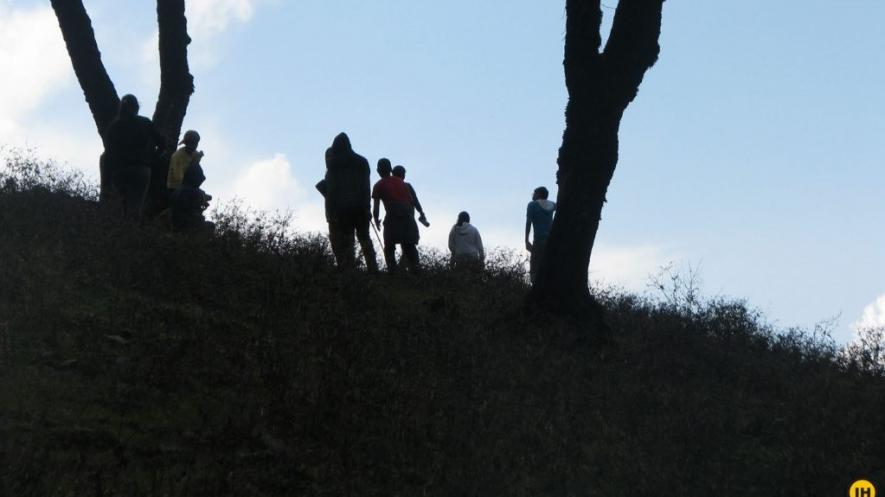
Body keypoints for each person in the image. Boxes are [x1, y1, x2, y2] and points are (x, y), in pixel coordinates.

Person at [320, 133, 378, 272]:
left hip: (343, 209)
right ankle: (373, 268)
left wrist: (332, 209)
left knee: (348, 241)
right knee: (365, 239)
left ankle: (350, 271)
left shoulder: (334, 165)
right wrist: (367, 207)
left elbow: (333, 189)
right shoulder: (362, 161)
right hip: (361, 207)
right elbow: (366, 186)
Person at [103, 94, 165, 219]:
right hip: (141, 169)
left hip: (119, 170)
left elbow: (108, 155)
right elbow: (162, 143)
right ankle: (133, 233)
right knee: (135, 207)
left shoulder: (113, 127)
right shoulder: (145, 123)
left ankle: (121, 232)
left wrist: (106, 181)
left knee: (121, 206)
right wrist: (153, 157)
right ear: (136, 107)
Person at [372, 159, 420, 273]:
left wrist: (376, 220)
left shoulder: (378, 185)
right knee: (409, 246)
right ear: (390, 169)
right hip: (408, 216)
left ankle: (393, 274)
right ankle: (417, 273)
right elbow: (411, 201)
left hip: (393, 215)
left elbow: (376, 208)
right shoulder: (401, 182)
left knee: (389, 246)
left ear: (378, 170)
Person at [170, 159, 212, 232]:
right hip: (185, 226)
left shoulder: (182, 188)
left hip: (178, 224)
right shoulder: (191, 191)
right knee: (211, 226)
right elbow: (191, 213)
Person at [525, 186, 556, 283]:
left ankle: (535, 286)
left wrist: (526, 240)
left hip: (538, 240)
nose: (533, 195)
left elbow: (528, 223)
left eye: (534, 193)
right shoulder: (553, 205)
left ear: (539, 194)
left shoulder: (532, 205)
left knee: (534, 265)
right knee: (547, 264)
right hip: (550, 241)